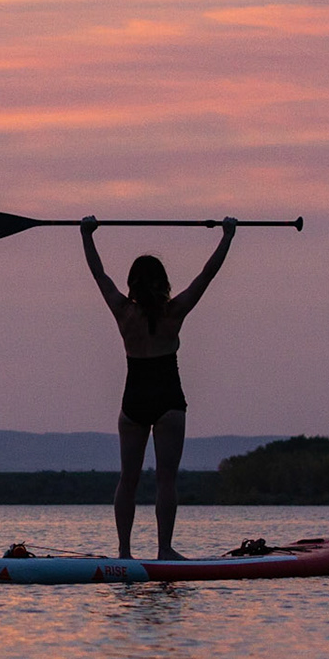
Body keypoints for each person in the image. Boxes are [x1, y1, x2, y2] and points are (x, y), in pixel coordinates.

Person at [81, 215, 236, 561]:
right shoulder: (174, 312)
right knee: (166, 480)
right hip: (168, 402)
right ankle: (164, 549)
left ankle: (125, 553)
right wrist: (227, 236)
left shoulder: (123, 311)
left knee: (128, 480)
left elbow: (99, 274)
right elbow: (206, 275)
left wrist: (86, 234)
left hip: (134, 402)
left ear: (132, 284)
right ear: (163, 283)